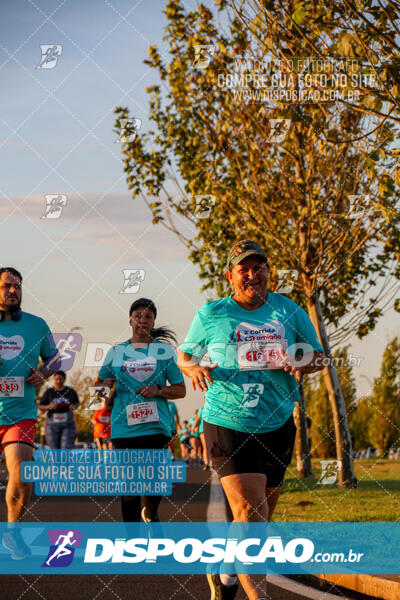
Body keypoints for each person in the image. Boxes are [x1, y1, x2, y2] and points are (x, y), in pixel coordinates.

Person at [178, 240, 325, 600]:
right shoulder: (211, 314)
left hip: (277, 424)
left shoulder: (288, 311)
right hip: (227, 421)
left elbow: (320, 356)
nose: (252, 274)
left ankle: (225, 575)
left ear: (268, 272)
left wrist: (302, 361)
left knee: (257, 522)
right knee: (249, 512)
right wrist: (193, 367)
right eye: (243, 268)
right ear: (230, 275)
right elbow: (183, 355)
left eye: (258, 267)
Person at [96, 298, 186, 522]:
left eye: (148, 317)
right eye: (138, 316)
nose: (142, 320)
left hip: (157, 427)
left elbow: (180, 390)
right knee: (130, 486)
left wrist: (157, 390)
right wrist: (103, 387)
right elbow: (97, 392)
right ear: (130, 320)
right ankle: (132, 544)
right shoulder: (116, 352)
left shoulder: (163, 351)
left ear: (154, 321)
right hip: (124, 429)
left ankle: (151, 511)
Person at [0, 267, 58, 559]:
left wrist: (43, 373)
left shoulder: (37, 325)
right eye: (7, 286)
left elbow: (55, 359)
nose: (13, 291)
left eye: (17, 286)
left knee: (23, 475)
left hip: (19, 413)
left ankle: (12, 533)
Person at [38, 371, 79, 449]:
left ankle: (64, 461)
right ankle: (56, 461)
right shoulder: (49, 392)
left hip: (68, 422)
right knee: (54, 449)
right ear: (54, 379)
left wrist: (73, 406)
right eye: (57, 379)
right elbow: (40, 406)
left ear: (64, 380)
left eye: (61, 379)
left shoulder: (70, 391)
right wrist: (48, 406)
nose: (58, 381)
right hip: (52, 423)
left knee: (66, 447)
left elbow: (77, 403)